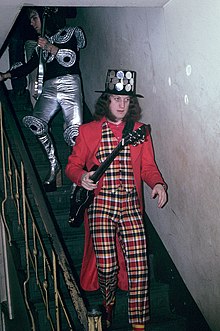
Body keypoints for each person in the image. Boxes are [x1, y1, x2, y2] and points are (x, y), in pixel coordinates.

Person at [65, 69, 168, 331]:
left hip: (131, 206)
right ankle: (108, 301)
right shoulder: (88, 131)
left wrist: (158, 184)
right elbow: (73, 165)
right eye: (116, 99)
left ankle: (138, 325)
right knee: (108, 266)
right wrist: (82, 177)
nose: (122, 104)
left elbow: (148, 166)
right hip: (101, 205)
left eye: (126, 100)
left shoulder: (140, 132)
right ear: (106, 101)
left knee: (139, 266)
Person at [0, 6, 86, 192]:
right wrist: (5, 75)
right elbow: (28, 66)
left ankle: (76, 177)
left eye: (34, 18)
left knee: (74, 134)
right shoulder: (40, 44)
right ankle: (54, 164)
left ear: (46, 17)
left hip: (70, 84)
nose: (32, 23)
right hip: (49, 87)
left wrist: (49, 47)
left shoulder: (70, 33)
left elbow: (70, 59)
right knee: (36, 123)